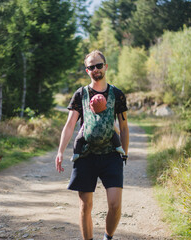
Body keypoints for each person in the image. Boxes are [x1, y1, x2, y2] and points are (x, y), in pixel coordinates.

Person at [55, 50, 129, 240]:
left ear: (105, 66)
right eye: (91, 67)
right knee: (85, 205)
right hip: (86, 156)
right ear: (87, 71)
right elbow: (70, 124)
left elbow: (124, 126)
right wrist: (60, 151)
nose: (95, 69)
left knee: (114, 205)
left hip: (111, 155)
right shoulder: (81, 94)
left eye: (98, 65)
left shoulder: (117, 95)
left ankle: (107, 237)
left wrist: (124, 153)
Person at [70, 93, 125, 162]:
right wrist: (117, 132)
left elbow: (83, 127)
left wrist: (81, 132)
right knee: (113, 133)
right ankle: (119, 147)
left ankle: (76, 153)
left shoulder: (89, 115)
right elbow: (117, 131)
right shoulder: (107, 117)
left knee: (78, 139)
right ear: (105, 106)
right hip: (106, 140)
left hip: (89, 138)